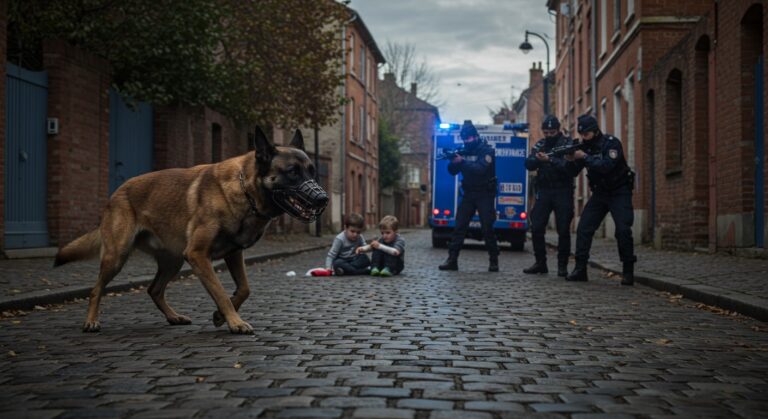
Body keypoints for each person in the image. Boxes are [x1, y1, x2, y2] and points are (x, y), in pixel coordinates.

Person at [566, 114, 636, 285]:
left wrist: (584, 157)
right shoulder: (584, 147)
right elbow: (573, 171)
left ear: (595, 131)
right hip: (600, 193)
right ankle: (580, 269)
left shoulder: (611, 143)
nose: (584, 138)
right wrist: (570, 159)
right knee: (584, 228)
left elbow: (606, 166)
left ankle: (628, 271)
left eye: (587, 134)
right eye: (582, 134)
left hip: (620, 191)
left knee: (623, 230)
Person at [438, 120, 500, 272]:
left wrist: (461, 161)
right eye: (465, 139)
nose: (467, 141)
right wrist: (453, 161)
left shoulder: (487, 151)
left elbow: (480, 169)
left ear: (476, 136)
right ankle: (452, 260)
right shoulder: (463, 150)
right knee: (459, 226)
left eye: (470, 138)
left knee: (487, 228)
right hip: (469, 193)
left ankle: (494, 261)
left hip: (484, 194)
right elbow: (452, 171)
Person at [524, 115, 579, 277]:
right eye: (546, 132)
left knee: (563, 229)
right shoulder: (540, 144)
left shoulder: (567, 144)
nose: (548, 135)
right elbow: (528, 163)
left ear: (558, 130)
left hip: (563, 190)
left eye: (552, 132)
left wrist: (550, 160)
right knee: (537, 226)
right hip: (545, 191)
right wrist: (538, 159)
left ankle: (562, 266)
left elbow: (570, 168)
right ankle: (540, 263)